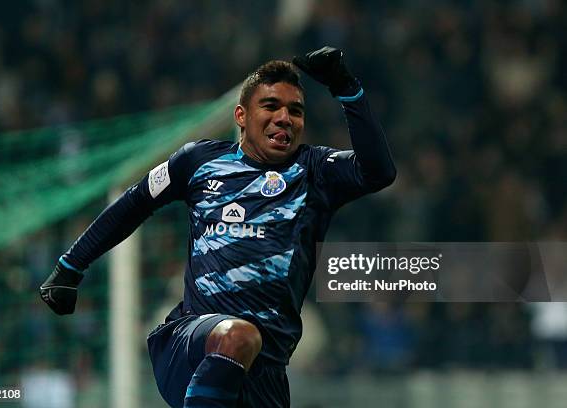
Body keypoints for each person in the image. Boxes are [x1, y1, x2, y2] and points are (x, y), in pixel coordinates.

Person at [40, 46, 396, 407]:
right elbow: (134, 204)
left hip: (266, 369)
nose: (285, 117)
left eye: (295, 111)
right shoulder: (199, 161)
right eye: (271, 106)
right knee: (239, 336)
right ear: (241, 115)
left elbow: (379, 171)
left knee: (245, 341)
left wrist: (346, 87)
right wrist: (71, 265)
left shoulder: (316, 171)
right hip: (191, 341)